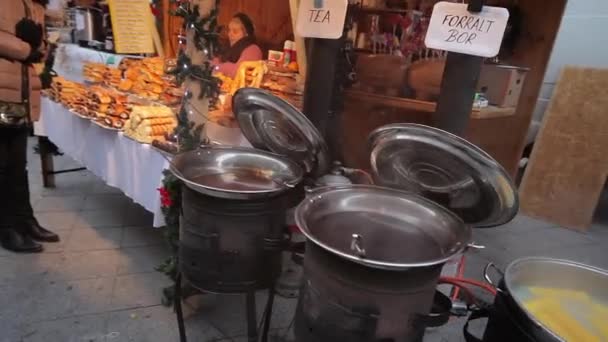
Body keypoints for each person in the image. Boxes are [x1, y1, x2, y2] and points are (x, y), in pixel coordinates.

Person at [0, 0, 59, 253]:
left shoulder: (36, 5)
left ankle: (25, 220)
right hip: (2, 91)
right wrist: (28, 49)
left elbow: (42, 47)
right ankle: (6, 228)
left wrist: (40, 48)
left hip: (23, 95)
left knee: (18, 165)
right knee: (2, 165)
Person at [213, 13, 263, 78]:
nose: (230, 34)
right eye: (229, 30)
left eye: (235, 31)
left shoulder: (253, 50)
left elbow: (238, 72)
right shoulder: (227, 46)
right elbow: (213, 60)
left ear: (246, 34)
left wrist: (217, 67)